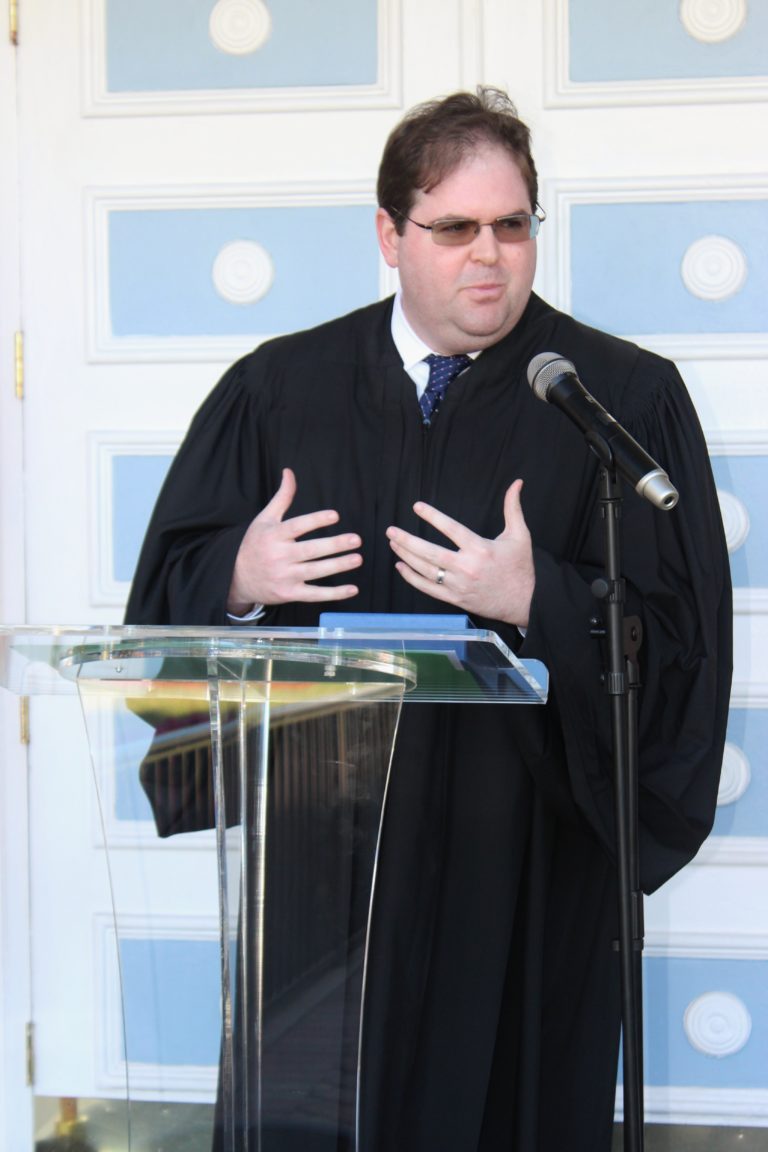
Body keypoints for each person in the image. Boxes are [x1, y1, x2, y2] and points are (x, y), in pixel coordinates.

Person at [125, 88, 732, 1152]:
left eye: (512, 225)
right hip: (325, 848)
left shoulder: (616, 401)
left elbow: (682, 638)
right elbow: (165, 604)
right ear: (389, 234)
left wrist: (537, 599)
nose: (488, 255)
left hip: (525, 850)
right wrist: (238, 577)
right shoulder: (279, 389)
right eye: (454, 228)